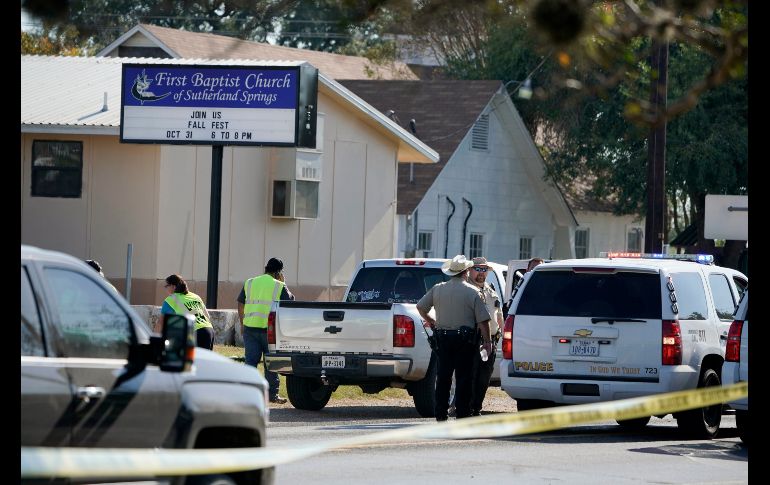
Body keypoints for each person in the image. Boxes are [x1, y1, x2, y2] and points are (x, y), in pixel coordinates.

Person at [417, 255, 492, 421]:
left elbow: (420, 307)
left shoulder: (437, 289)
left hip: (443, 339)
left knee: (443, 377)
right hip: (465, 341)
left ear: (451, 272)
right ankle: (462, 413)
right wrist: (487, 342)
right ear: (466, 272)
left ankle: (440, 413)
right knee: (464, 378)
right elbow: (483, 321)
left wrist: (431, 321)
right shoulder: (473, 292)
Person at [238, 257, 294, 404]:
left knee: (250, 362)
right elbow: (290, 302)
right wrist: (284, 283)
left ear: (266, 268)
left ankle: (246, 394)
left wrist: (242, 323)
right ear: (278, 272)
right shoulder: (279, 285)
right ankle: (272, 395)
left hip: (250, 328)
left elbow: (240, 303)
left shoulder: (250, 282)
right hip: (269, 331)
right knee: (271, 364)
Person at [468, 257, 505, 416]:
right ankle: (465, 407)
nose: (481, 273)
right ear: (470, 270)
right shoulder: (467, 289)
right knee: (470, 375)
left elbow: (499, 314)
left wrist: (502, 333)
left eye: (484, 270)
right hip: (472, 339)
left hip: (490, 341)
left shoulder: (491, 289)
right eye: (478, 269)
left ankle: (477, 408)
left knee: (484, 377)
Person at [161, 274, 215, 350]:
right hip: (209, 330)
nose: (165, 288)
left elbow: (161, 323)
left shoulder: (170, 300)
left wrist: (156, 339)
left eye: (166, 286)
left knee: (192, 360)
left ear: (173, 286)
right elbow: (207, 316)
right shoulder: (195, 296)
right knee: (206, 360)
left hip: (195, 333)